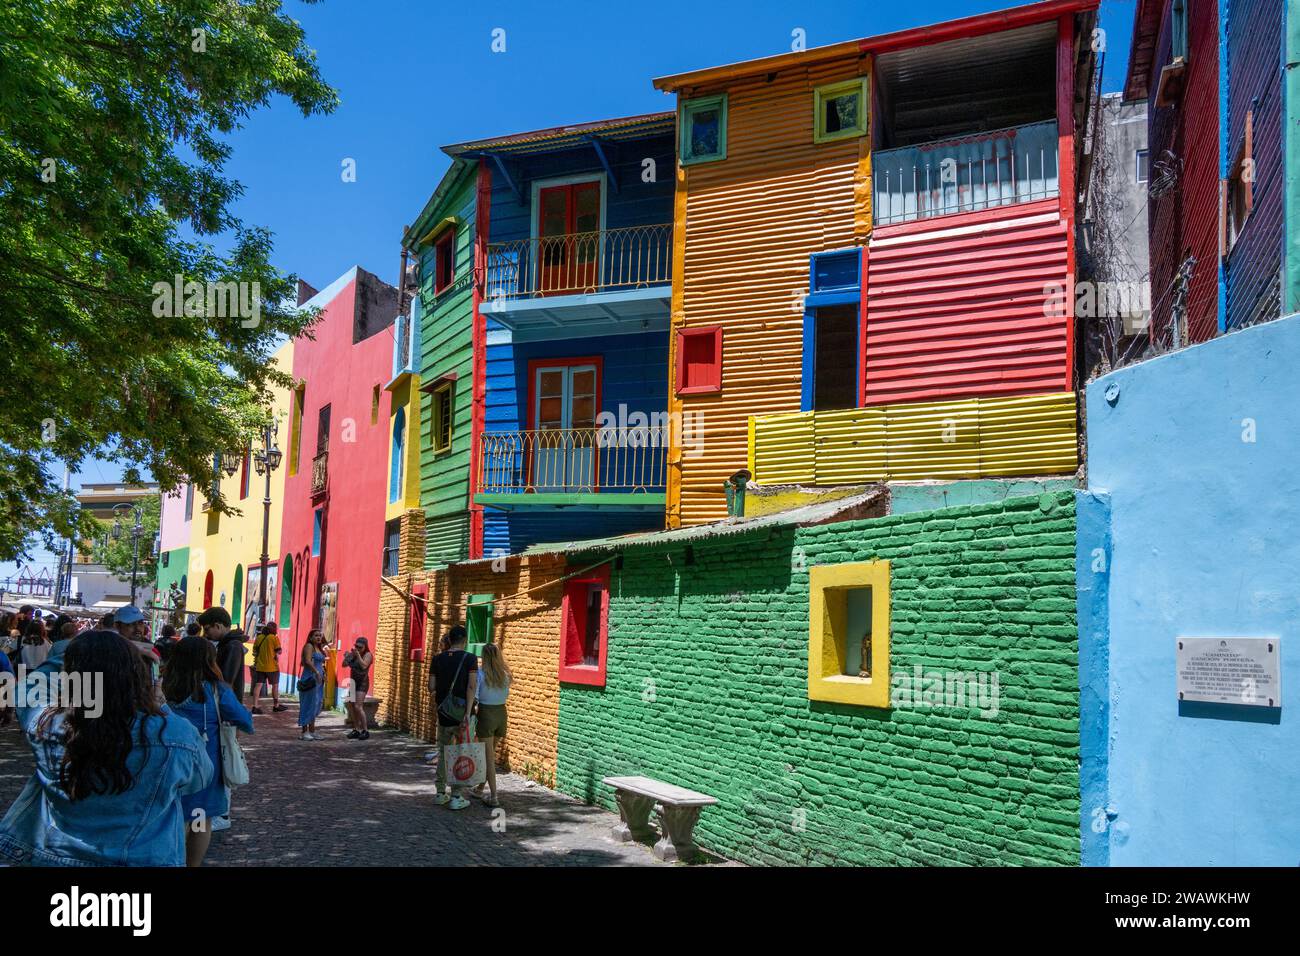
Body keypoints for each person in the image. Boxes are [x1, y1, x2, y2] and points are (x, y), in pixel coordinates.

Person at [0, 630, 212, 866]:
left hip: (57, 857)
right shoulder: (174, 733)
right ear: (137, 676)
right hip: (144, 859)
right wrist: (160, 704)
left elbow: (27, 687)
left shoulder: (47, 725)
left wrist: (83, 654)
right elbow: (199, 780)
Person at [162, 636, 254, 866]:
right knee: (200, 819)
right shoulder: (215, 690)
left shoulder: (166, 687)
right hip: (206, 767)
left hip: (169, 762)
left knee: (175, 817)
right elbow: (245, 721)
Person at [428, 625, 477, 810]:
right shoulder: (470, 659)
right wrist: (467, 712)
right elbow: (471, 687)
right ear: (464, 640)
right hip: (463, 713)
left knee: (443, 751)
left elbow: (431, 687)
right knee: (460, 752)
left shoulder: (437, 659)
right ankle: (456, 796)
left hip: (444, 712)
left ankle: (440, 793)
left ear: (449, 639)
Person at [472, 643, 511, 808]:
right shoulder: (505, 675)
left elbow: (476, 697)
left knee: (488, 758)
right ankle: (480, 788)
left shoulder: (480, 675)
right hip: (501, 714)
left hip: (486, 715)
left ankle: (494, 796)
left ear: (484, 657)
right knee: (490, 754)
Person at [197, 606, 248, 702]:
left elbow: (225, 681)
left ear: (218, 626)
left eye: (207, 629)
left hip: (228, 705)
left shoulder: (233, 646)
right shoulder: (224, 644)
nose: (205, 634)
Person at [249, 622, 287, 715]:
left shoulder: (259, 638)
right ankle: (276, 705)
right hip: (272, 667)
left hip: (260, 667)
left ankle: (255, 706)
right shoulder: (274, 638)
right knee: (275, 686)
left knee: (258, 686)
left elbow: (254, 652)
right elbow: (280, 651)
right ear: (273, 629)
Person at [342, 636, 373, 740]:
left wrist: (358, 655)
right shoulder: (353, 654)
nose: (358, 648)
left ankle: (365, 730)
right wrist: (347, 657)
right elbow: (344, 665)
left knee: (358, 706)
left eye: (360, 647)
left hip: (362, 682)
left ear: (365, 647)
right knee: (352, 706)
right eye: (356, 646)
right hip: (353, 681)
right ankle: (356, 729)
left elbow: (364, 666)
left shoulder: (368, 655)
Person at [298, 629, 327, 740]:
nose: (318, 637)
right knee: (307, 704)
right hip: (310, 678)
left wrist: (322, 673)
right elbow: (308, 661)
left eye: (320, 635)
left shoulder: (318, 648)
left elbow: (321, 662)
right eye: (316, 635)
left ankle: (312, 730)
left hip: (318, 679)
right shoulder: (308, 646)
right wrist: (316, 672)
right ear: (310, 637)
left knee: (316, 704)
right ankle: (304, 732)